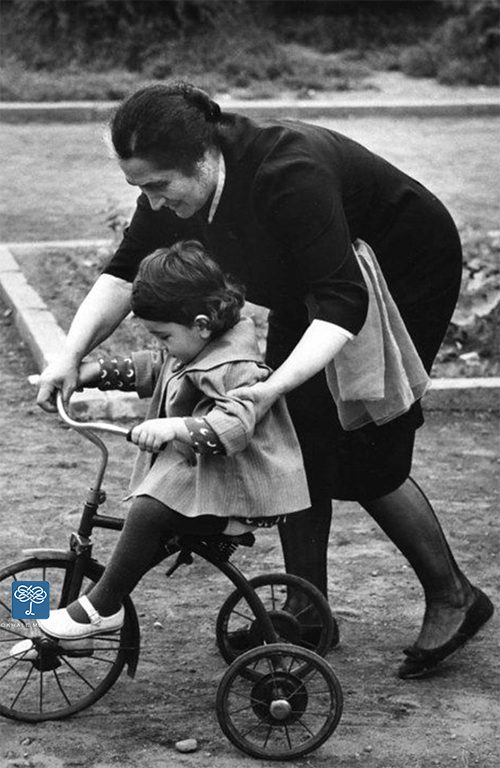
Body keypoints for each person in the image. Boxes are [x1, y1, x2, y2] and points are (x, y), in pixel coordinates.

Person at [37, 82, 493, 677]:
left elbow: (342, 302)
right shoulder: (178, 186)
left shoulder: (288, 172)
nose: (148, 202)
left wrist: (272, 387)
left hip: (398, 264)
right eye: (138, 188)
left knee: (367, 447)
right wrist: (69, 355)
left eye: (156, 186)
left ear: (202, 158)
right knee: (296, 439)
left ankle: (454, 596)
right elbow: (124, 271)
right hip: (318, 282)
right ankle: (309, 612)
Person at [27, 241, 311, 643]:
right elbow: (154, 366)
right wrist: (89, 372)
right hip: (201, 480)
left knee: (147, 511)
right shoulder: (195, 344)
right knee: (147, 519)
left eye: (163, 335)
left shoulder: (236, 367)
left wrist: (173, 428)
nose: (161, 345)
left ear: (200, 323)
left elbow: (234, 424)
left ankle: (102, 608)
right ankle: (36, 626)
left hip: (236, 491)